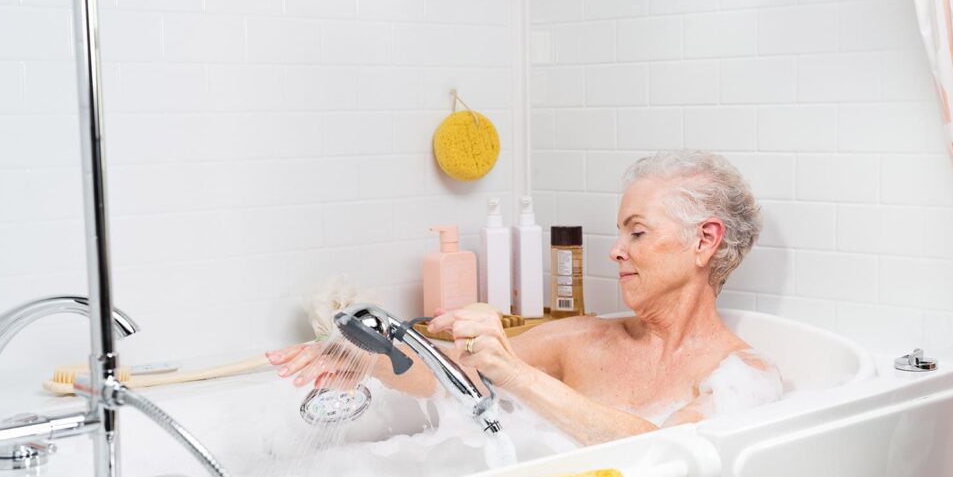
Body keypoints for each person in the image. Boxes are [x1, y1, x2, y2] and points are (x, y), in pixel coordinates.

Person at [268, 150, 783, 446]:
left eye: (638, 233)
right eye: (620, 233)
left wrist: (518, 375)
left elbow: (665, 454)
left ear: (704, 241)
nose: (616, 251)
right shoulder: (581, 339)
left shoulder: (741, 376)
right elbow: (450, 374)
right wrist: (368, 359)